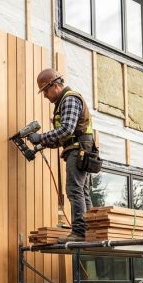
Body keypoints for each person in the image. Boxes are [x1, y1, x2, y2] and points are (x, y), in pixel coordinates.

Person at [28, 68, 95, 242]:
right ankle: (90, 230)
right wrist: (41, 143)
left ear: (55, 86)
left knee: (74, 190)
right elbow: (62, 138)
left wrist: (41, 137)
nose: (45, 96)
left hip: (78, 149)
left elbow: (66, 130)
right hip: (78, 148)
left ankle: (79, 232)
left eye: (45, 91)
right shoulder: (63, 103)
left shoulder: (69, 99)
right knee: (82, 191)